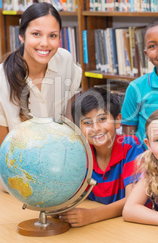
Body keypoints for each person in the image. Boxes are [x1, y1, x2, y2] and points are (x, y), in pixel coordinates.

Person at [0, 2, 82, 191]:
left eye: (53, 36)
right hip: (16, 171)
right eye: (36, 34)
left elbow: (70, 120)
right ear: (21, 35)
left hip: (57, 159)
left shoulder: (65, 60)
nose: (45, 43)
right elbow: (4, 152)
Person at [59, 87, 145, 227]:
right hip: (104, 226)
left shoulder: (131, 147)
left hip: (133, 226)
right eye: (87, 123)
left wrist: (92, 215)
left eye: (102, 119)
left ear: (117, 120)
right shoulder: (81, 155)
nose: (96, 128)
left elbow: (132, 201)